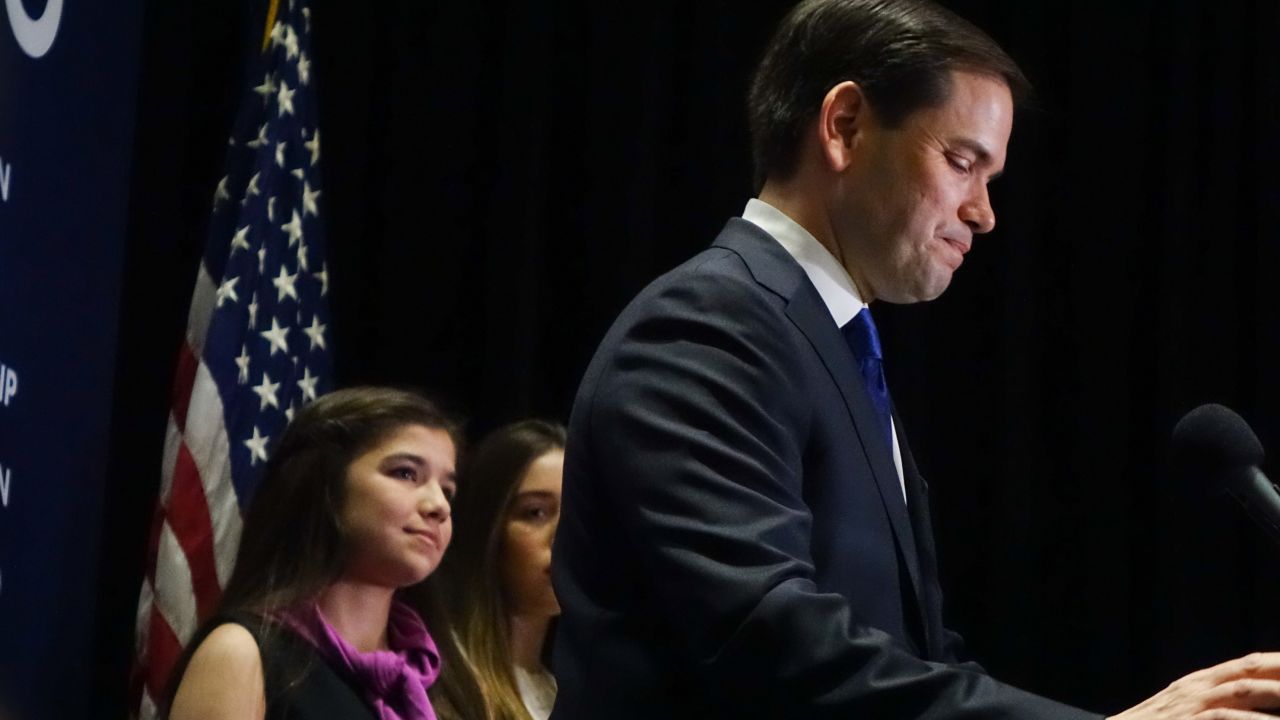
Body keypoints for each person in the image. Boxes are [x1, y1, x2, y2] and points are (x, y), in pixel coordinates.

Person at [550, 1, 1280, 718]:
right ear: (845, 126)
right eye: (963, 163)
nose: (983, 213)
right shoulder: (708, 329)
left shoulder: (829, 342)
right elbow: (770, 644)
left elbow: (917, 657)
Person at [162, 386, 487, 720]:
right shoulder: (241, 654)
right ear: (324, 484)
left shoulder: (447, 680)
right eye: (405, 473)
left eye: (447, 490)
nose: (438, 506)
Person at [445, 420, 566, 720]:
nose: (564, 535)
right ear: (489, 529)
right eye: (535, 512)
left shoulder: (565, 689)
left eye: (577, 512)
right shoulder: (443, 683)